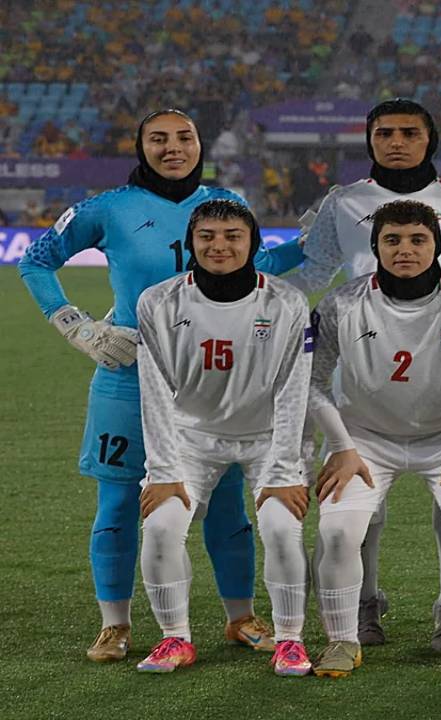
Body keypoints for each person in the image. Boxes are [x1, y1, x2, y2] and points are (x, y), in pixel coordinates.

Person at [17, 109, 303, 662]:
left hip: (211, 380)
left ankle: (241, 617)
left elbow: (262, 260)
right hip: (128, 378)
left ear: (200, 144)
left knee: (227, 505)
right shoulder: (108, 208)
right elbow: (36, 261)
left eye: (184, 137)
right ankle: (115, 624)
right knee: (121, 503)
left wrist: (316, 239)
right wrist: (76, 325)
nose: (173, 147)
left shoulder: (225, 203)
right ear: (140, 146)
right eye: (159, 139)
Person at [289, 98, 441, 649]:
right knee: (360, 509)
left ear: (430, 139)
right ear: (369, 139)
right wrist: (249, 291)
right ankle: (363, 606)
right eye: (384, 132)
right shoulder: (343, 201)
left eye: (410, 132)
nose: (396, 142)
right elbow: (314, 271)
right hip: (364, 364)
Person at [133, 200, 312, 675]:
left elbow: (294, 390)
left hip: (268, 437)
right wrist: (163, 471)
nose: (220, 246)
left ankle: (290, 641)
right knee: (161, 526)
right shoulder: (158, 301)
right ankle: (175, 638)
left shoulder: (286, 302)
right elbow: (154, 390)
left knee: (281, 527)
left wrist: (283, 471)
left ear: (253, 242)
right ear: (190, 242)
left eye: (233, 235)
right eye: (207, 236)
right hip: (191, 437)